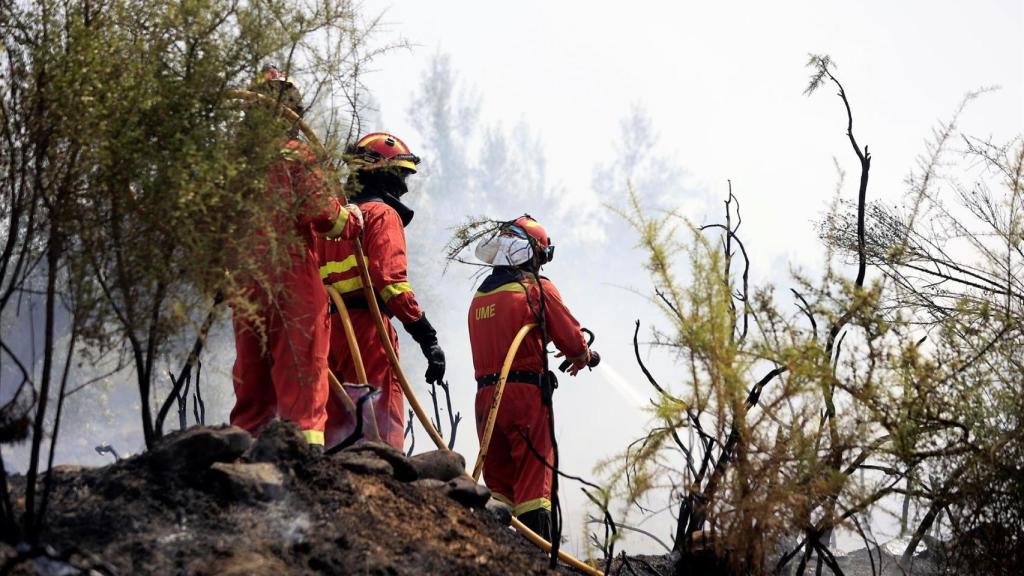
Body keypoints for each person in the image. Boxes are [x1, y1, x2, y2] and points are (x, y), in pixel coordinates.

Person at [229, 67, 364, 448]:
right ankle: (306, 455)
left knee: (251, 375)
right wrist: (351, 219)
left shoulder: (237, 164)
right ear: (292, 111)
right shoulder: (297, 154)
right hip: (292, 277)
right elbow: (324, 215)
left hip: (245, 279)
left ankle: (245, 453)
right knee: (302, 370)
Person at [468, 215, 598, 540]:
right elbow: (573, 341)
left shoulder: (479, 298)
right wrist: (584, 356)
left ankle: (493, 551)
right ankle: (537, 555)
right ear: (534, 253)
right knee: (534, 480)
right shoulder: (537, 289)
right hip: (524, 398)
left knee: (498, 487)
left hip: (485, 401)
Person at [317, 132, 445, 450]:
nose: (404, 185)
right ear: (384, 173)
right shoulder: (382, 214)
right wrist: (426, 336)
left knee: (337, 428)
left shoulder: (330, 222)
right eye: (401, 174)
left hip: (327, 331)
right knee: (379, 425)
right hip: (369, 331)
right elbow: (391, 282)